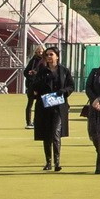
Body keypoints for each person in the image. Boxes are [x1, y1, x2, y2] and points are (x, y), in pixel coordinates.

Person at [24, 44, 70, 173]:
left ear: (57, 57)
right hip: (44, 106)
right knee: (46, 135)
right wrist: (34, 90)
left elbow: (70, 86)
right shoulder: (42, 71)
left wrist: (64, 91)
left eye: (51, 54)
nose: (49, 57)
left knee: (56, 133)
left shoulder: (64, 71)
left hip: (59, 107)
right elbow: (35, 85)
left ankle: (57, 162)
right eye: (47, 55)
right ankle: (48, 161)